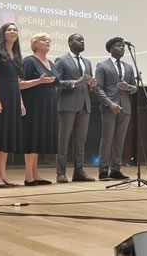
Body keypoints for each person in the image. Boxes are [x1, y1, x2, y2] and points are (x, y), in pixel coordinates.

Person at [0, 23, 24, 188]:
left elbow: (17, 81)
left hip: (13, 98)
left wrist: (21, 101)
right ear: (3, 33)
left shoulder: (16, 55)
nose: (13, 31)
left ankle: (1, 174)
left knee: (6, 137)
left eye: (15, 29)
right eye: (9, 29)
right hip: (0, 96)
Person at [54, 33, 96, 183]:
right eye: (79, 40)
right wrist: (75, 82)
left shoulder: (87, 62)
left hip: (84, 104)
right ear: (70, 43)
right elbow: (56, 82)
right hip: (67, 104)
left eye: (84, 40)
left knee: (80, 141)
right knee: (63, 140)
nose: (82, 42)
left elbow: (88, 83)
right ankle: (61, 173)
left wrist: (91, 84)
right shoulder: (61, 60)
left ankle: (79, 172)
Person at [94, 37, 137, 180]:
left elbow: (135, 87)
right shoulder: (102, 66)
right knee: (107, 139)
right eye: (118, 46)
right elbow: (97, 87)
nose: (122, 48)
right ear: (110, 49)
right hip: (109, 108)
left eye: (123, 47)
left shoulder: (129, 67)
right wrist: (109, 103)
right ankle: (103, 170)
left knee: (120, 140)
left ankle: (116, 169)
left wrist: (129, 87)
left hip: (125, 108)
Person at [19, 33, 58, 186]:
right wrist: (39, 81)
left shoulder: (51, 63)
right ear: (35, 44)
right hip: (33, 104)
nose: (47, 42)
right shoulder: (29, 61)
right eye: (43, 40)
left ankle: (35, 174)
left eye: (49, 40)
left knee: (39, 139)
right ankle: (28, 176)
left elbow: (57, 82)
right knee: (32, 138)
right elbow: (20, 84)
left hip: (47, 106)